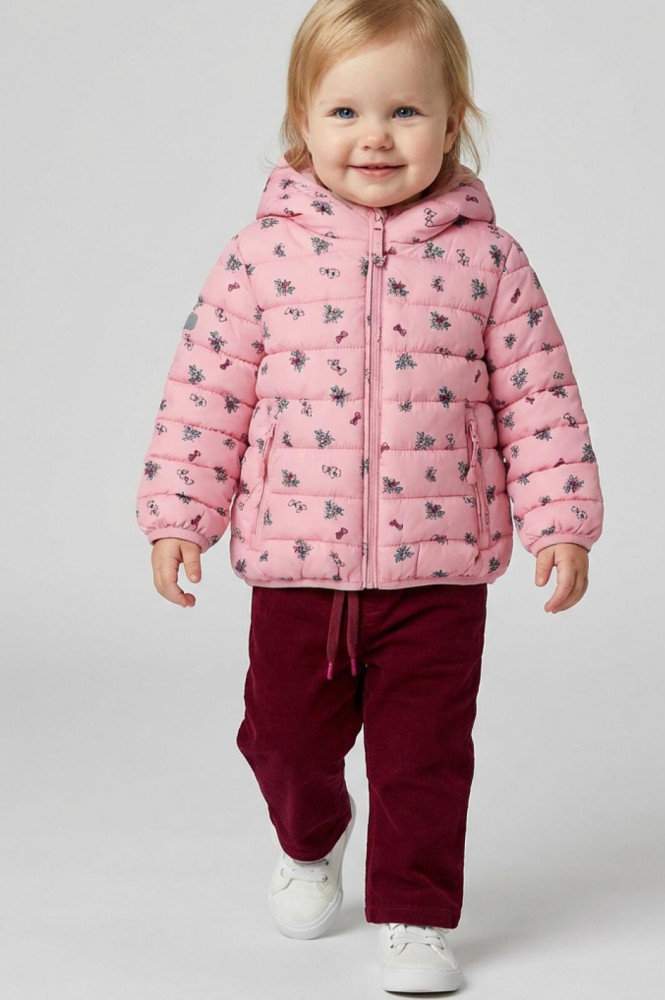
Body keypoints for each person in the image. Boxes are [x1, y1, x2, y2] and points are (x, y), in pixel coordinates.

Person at [135, 0, 605, 992]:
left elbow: (540, 398)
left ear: (452, 120)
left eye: (405, 111)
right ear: (302, 121)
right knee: (282, 738)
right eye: (345, 112)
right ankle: (312, 839)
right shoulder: (260, 255)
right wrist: (180, 516)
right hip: (295, 566)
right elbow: (206, 395)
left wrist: (561, 522)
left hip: (439, 575)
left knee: (423, 760)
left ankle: (415, 914)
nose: (375, 137)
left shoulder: (490, 261)